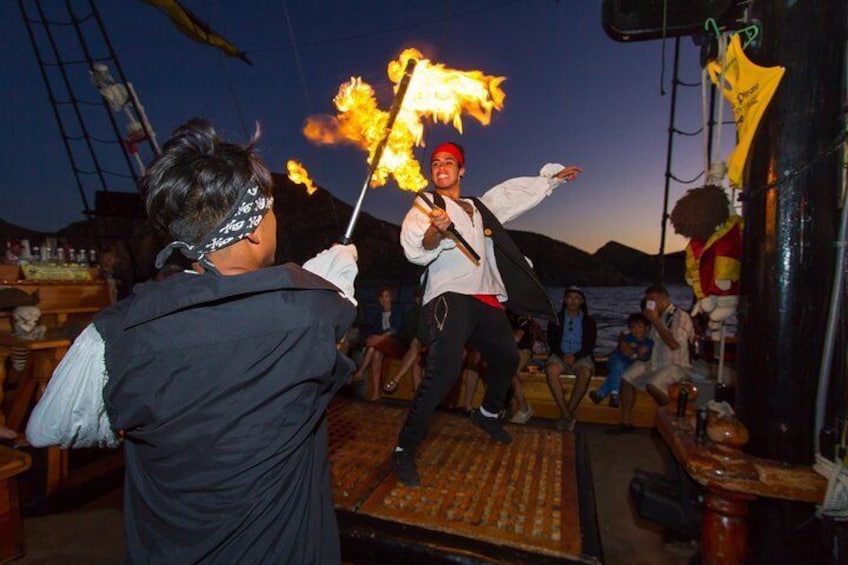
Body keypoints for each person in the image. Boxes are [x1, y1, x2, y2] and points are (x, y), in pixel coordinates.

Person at [26, 117, 359, 563]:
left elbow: (45, 427)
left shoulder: (115, 333)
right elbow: (332, 300)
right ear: (256, 227)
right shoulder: (315, 312)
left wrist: (131, 416)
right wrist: (339, 265)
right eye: (272, 209)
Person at [391, 141, 581, 486]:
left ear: (461, 169)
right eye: (435, 163)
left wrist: (549, 181)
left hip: (486, 296)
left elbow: (510, 196)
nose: (441, 167)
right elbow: (417, 249)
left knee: (508, 358)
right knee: (444, 373)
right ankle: (404, 450)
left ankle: (488, 413)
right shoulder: (425, 206)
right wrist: (438, 230)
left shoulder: (479, 207)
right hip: (450, 296)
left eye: (449, 161)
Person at [607, 285, 695, 435]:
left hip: (677, 365)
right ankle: (626, 423)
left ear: (664, 299)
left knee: (653, 385)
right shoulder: (656, 317)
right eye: (648, 301)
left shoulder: (680, 316)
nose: (650, 304)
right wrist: (624, 340)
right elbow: (642, 336)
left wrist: (655, 321)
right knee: (626, 378)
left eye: (652, 301)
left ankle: (678, 419)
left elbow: (674, 345)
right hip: (655, 362)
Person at [544, 286, 597, 431]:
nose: (573, 301)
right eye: (570, 297)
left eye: (577, 298)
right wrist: (562, 356)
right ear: (565, 300)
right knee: (550, 370)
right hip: (560, 354)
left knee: (585, 373)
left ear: (582, 301)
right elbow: (551, 341)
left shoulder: (589, 321)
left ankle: (565, 416)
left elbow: (590, 344)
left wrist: (575, 356)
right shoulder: (556, 318)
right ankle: (567, 415)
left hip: (581, 356)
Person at [589, 312, 653, 408]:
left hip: (628, 364)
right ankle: (615, 395)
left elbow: (645, 357)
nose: (636, 330)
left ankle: (600, 393)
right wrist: (634, 352)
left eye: (639, 327)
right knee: (618, 367)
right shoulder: (627, 337)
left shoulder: (649, 342)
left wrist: (641, 354)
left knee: (618, 372)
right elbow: (623, 349)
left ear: (647, 328)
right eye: (633, 327)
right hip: (616, 360)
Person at [352, 286, 405, 400]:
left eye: (387, 296)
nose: (385, 299)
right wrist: (371, 338)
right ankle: (376, 393)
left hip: (397, 344)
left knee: (375, 343)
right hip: (381, 346)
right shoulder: (378, 316)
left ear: (391, 298)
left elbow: (395, 329)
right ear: (379, 300)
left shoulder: (398, 311)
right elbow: (373, 331)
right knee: (375, 353)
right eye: (382, 297)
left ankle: (360, 372)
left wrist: (379, 338)